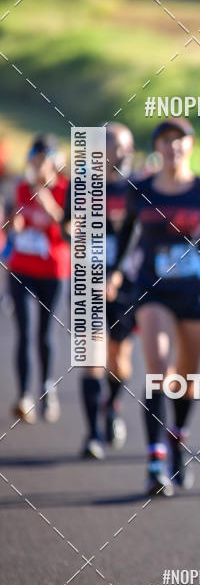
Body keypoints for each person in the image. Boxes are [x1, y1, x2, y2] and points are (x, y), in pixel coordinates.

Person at [113, 118, 200, 496]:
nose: (173, 147)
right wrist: (115, 273)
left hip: (195, 294)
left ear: (191, 146)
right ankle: (155, 460)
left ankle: (177, 441)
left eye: (180, 140)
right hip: (152, 292)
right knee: (159, 370)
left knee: (186, 380)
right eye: (166, 140)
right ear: (157, 148)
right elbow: (128, 233)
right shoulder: (141, 189)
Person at [63, 123, 137, 459]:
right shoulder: (81, 182)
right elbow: (67, 223)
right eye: (114, 146)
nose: (120, 153)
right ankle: (92, 434)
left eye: (126, 146)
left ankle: (113, 404)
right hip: (87, 278)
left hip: (125, 284)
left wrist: (119, 272)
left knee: (119, 362)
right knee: (90, 358)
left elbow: (140, 235)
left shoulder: (138, 187)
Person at [7, 135, 69, 423]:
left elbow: (69, 230)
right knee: (23, 332)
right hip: (21, 267)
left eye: (43, 160)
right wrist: (14, 223)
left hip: (52, 270)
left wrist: (47, 204)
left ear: (54, 162)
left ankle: (46, 388)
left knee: (44, 334)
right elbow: (15, 223)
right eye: (34, 160)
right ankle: (23, 396)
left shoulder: (65, 190)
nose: (38, 166)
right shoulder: (22, 188)